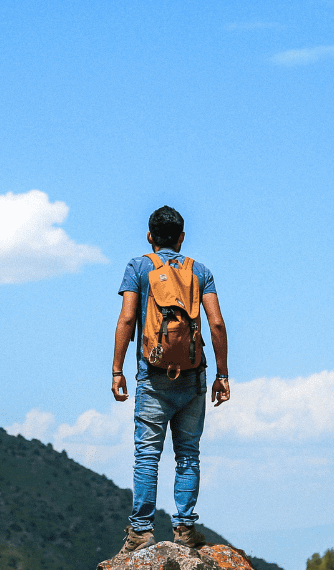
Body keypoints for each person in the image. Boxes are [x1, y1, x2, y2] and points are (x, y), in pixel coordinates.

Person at [111, 205, 230, 556]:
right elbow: (217, 324)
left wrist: (117, 370)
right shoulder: (200, 271)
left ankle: (141, 532)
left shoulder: (139, 266)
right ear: (181, 238)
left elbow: (127, 319)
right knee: (188, 455)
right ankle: (184, 530)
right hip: (194, 376)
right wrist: (222, 374)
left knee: (147, 454)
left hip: (153, 374)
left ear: (150, 237)